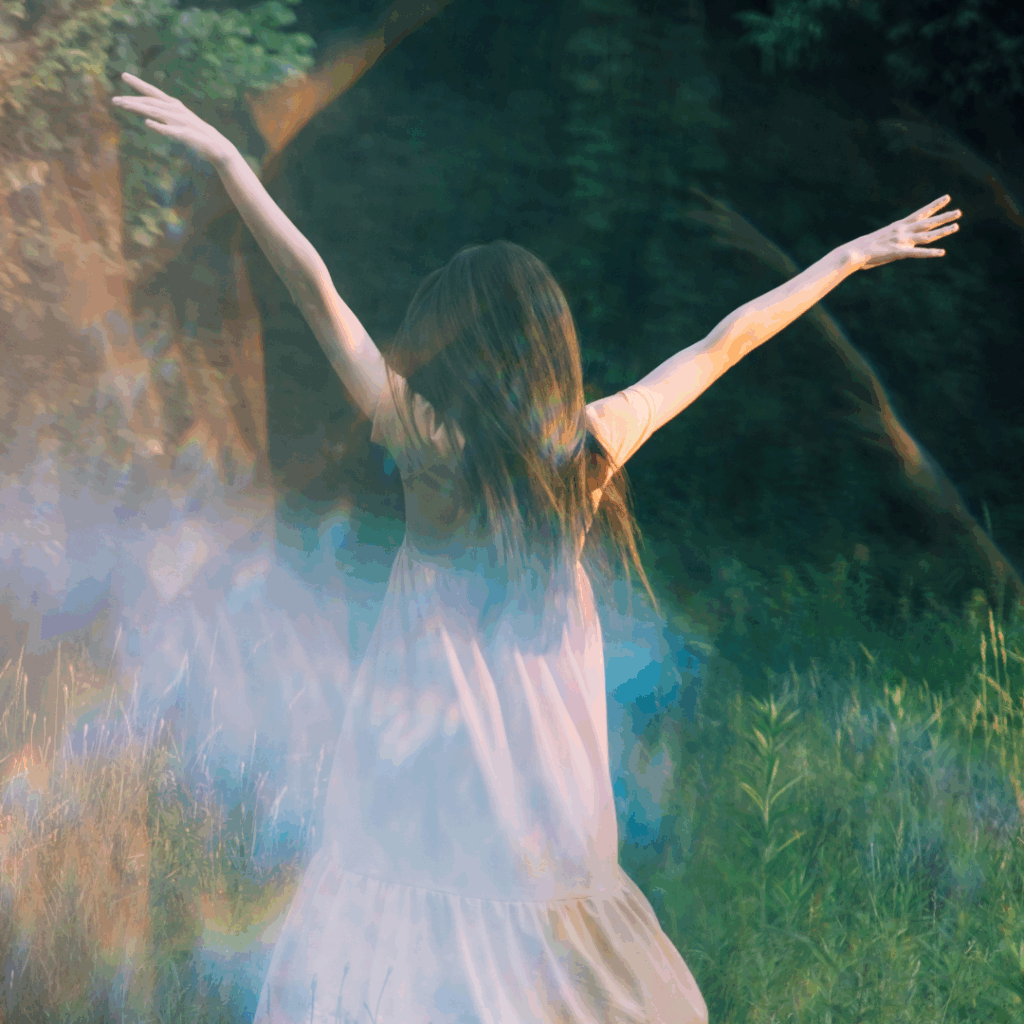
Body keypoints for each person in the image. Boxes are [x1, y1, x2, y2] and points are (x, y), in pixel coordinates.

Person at [111, 73, 961, 1023]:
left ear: (457, 353)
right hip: (549, 834)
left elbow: (319, 299)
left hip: (420, 820)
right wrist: (847, 255)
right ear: (550, 353)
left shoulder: (423, 443)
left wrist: (232, 161)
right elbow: (725, 343)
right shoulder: (592, 450)